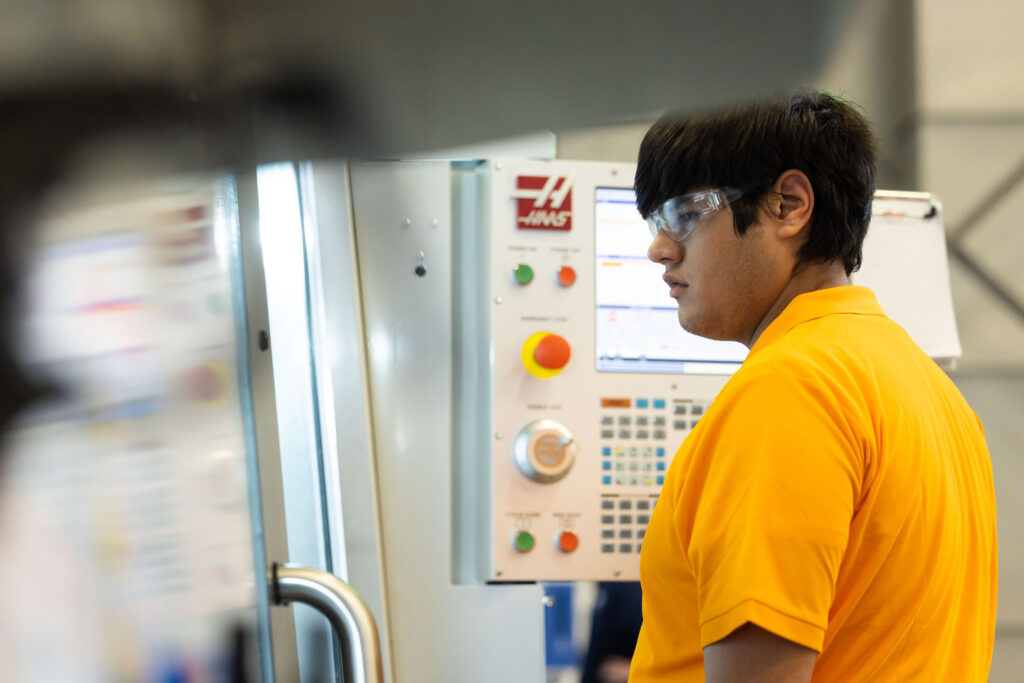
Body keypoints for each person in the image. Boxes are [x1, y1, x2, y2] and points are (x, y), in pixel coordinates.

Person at [628, 89, 997, 682]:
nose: (659, 248)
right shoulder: (934, 393)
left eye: (686, 212)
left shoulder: (788, 391)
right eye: (654, 220)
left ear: (789, 205)